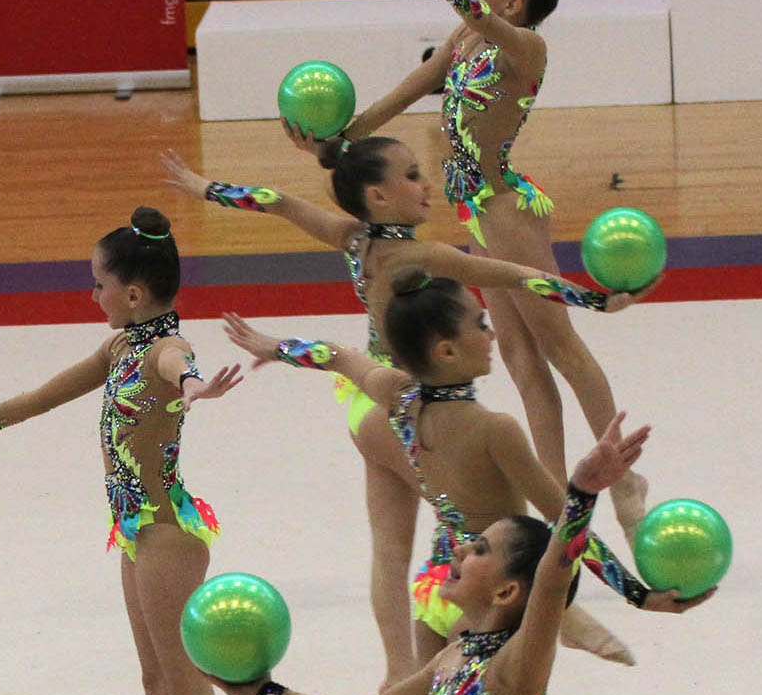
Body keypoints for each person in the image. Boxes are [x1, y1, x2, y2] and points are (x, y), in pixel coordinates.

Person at [163, 145, 652, 682]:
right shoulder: (420, 256)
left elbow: (277, 201)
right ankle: (559, 615)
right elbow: (511, 275)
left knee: (392, 550)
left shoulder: (353, 240)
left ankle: (397, 673)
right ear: (378, 195)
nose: (427, 185)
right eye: (414, 176)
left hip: (370, 394)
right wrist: (593, 300)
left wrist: (204, 189)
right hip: (400, 404)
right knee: (475, 517)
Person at [285, 0, 651, 564]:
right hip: (476, 208)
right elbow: (411, 89)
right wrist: (342, 140)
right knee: (520, 357)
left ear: (513, 2)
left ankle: (624, 483)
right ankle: (559, 507)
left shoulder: (526, 48)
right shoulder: (467, 36)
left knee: (561, 347)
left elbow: (487, 25)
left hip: (507, 208)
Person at [221, 269, 688, 673]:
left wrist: (276, 347)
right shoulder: (495, 430)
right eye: (481, 325)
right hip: (491, 595)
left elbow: (336, 356)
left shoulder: (398, 397)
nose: (492, 335)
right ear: (446, 351)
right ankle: (569, 623)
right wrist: (637, 594)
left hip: (441, 585)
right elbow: (567, 524)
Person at [0, 207, 243, 695]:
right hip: (137, 533)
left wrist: (193, 384)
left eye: (99, 285)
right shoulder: (120, 346)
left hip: (168, 536)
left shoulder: (165, 349)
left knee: (185, 686)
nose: (93, 295)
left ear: (134, 295)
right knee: (157, 686)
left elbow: (179, 363)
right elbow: (43, 397)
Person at [207, 402, 713, 695]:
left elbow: (553, 578)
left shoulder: (517, 665)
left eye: (481, 550)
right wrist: (266, 694)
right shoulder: (452, 657)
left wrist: (581, 493)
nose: (461, 550)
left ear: (507, 592)